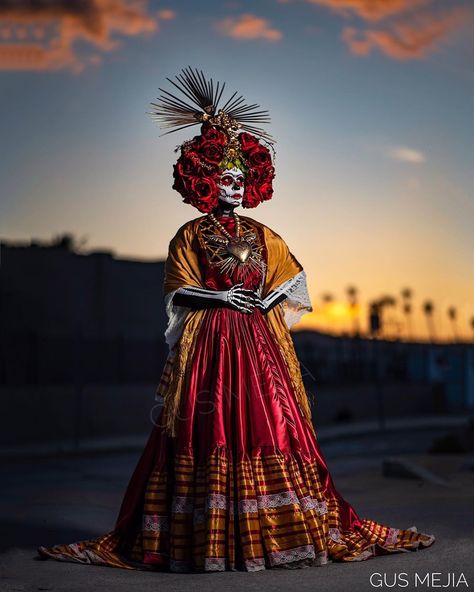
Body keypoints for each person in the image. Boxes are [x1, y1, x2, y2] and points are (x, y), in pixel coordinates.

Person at [37, 67, 435, 572]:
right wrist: (222, 301)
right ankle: (208, 538)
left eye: (240, 179)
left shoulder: (265, 233)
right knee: (209, 423)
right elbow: (179, 289)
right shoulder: (189, 234)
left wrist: (266, 303)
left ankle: (277, 531)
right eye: (224, 178)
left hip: (261, 345)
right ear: (206, 180)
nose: (233, 186)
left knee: (271, 422)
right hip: (210, 346)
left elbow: (291, 278)